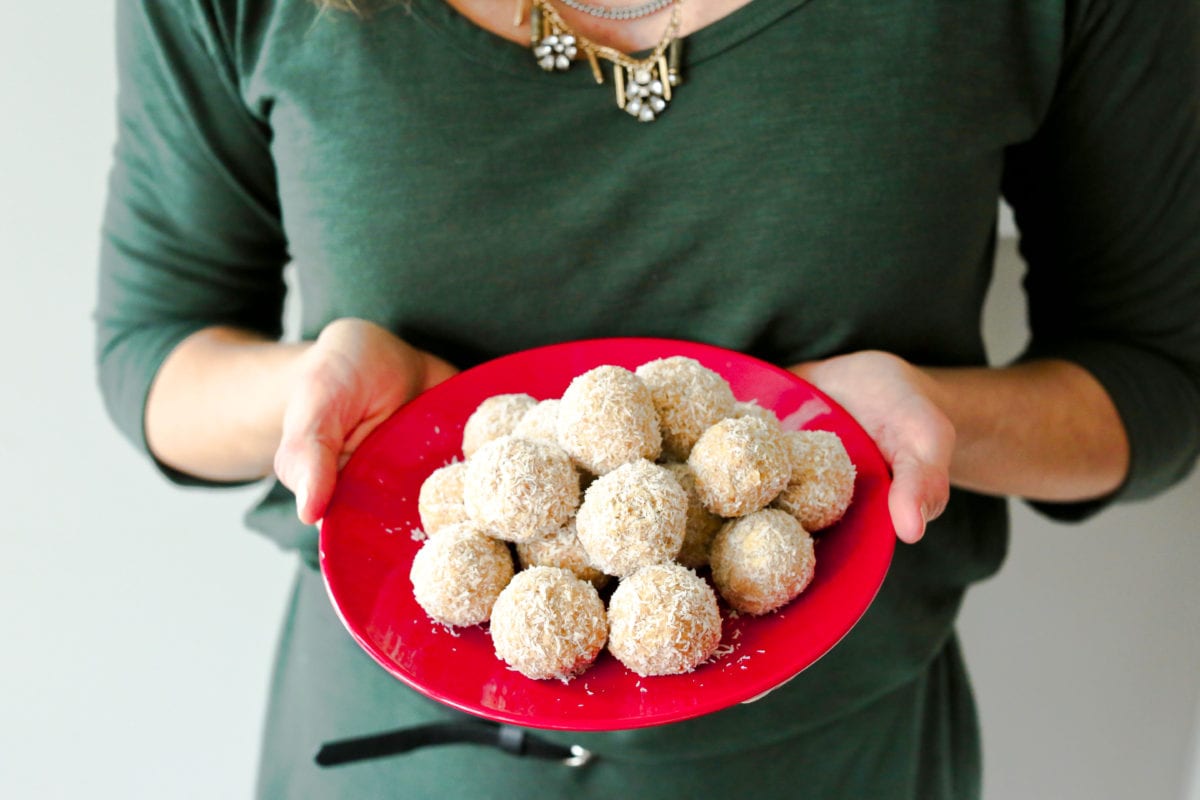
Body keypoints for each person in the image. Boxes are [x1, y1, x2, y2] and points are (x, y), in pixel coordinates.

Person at [94, 0, 1200, 797]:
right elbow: (151, 347)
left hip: (832, 762)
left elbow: (1157, 378)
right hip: (400, 760)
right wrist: (311, 391)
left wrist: (930, 419)